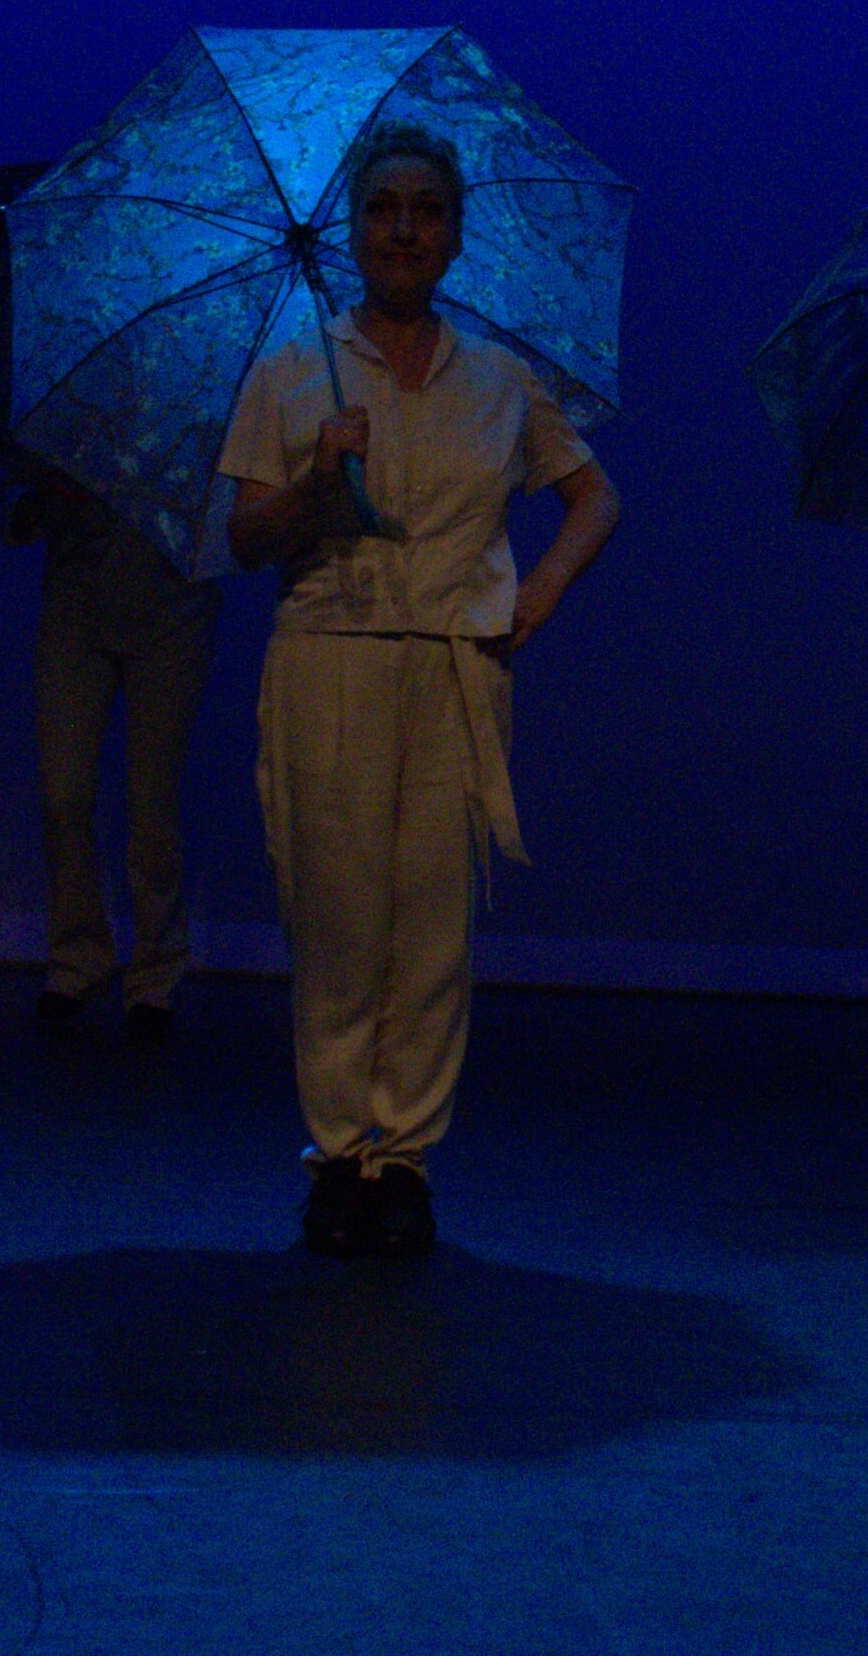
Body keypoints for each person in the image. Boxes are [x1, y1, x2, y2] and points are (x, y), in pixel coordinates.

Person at [221, 123, 621, 1257]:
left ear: (453, 235)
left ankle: (402, 1157)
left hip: (453, 661)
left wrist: (536, 593)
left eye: (426, 210)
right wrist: (315, 479)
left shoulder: (498, 377)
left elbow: (595, 497)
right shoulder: (294, 369)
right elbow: (243, 537)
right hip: (332, 654)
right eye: (385, 208)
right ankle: (339, 1151)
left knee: (435, 927)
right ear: (355, 230)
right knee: (337, 917)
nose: (403, 228)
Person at [7, 467, 219, 1040]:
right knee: (63, 795)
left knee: (152, 802)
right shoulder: (71, 429)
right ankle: (79, 957)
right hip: (76, 603)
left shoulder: (189, 418)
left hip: (172, 603)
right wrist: (56, 491)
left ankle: (155, 975)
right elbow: (16, 519)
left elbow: (229, 511)